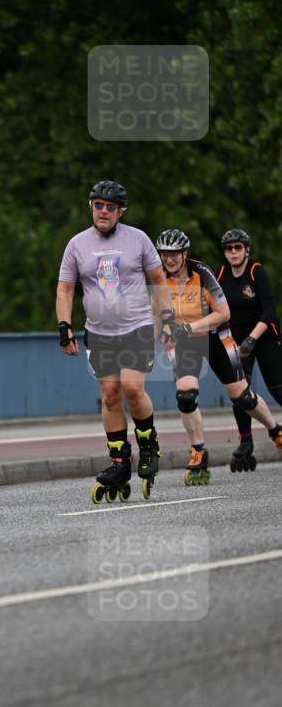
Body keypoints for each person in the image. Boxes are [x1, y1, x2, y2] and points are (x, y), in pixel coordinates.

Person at [56, 180, 175, 503]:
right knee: (110, 396)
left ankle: (149, 443)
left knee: (134, 389)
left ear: (120, 210)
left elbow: (158, 280)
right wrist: (64, 326)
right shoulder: (77, 245)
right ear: (91, 207)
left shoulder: (138, 239)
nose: (104, 211)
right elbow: (65, 288)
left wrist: (167, 319)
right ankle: (120, 461)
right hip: (99, 332)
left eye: (110, 207)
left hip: (136, 328)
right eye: (98, 205)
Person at [154, 229, 282, 484]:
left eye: (174, 254)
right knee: (186, 396)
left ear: (184, 254)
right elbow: (157, 314)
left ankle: (276, 431)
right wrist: (164, 341)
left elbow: (223, 313)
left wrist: (190, 327)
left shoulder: (202, 273)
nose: (169, 260)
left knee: (242, 397)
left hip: (216, 337)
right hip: (184, 342)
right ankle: (198, 451)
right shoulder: (157, 277)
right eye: (164, 254)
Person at [216, 228, 282, 471]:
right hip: (235, 340)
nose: (233, 252)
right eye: (229, 248)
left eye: (238, 247)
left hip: (263, 337)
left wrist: (252, 339)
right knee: (240, 393)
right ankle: (246, 442)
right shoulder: (221, 274)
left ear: (247, 250)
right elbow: (214, 307)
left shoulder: (257, 272)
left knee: (277, 388)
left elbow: (270, 312)